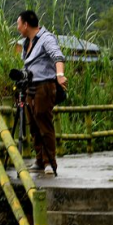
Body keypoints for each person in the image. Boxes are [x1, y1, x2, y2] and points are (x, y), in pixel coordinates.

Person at [17, 10, 68, 176]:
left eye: (18, 24)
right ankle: (39, 160)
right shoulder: (26, 42)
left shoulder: (46, 38)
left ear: (26, 24)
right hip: (30, 88)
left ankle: (49, 162)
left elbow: (57, 56)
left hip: (44, 86)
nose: (17, 28)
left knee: (44, 123)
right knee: (33, 125)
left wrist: (60, 75)